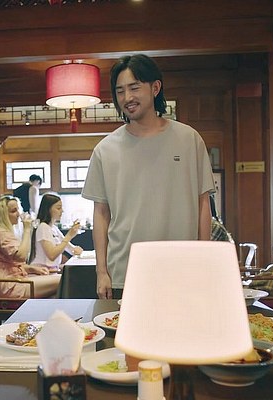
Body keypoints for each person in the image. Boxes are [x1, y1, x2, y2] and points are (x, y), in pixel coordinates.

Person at [81, 53, 215, 299]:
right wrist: (101, 271)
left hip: (182, 270)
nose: (127, 97)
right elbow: (101, 213)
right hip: (125, 271)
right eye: (120, 91)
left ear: (155, 88)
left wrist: (203, 260)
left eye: (134, 88)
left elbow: (202, 203)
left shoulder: (189, 139)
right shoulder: (105, 150)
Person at [0, 195, 60, 298]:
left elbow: (12, 263)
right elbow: (21, 257)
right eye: (13, 211)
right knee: (63, 280)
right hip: (10, 286)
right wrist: (27, 229)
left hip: (17, 280)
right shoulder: (1, 234)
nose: (18, 214)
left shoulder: (4, 232)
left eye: (18, 210)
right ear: (3, 215)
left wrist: (32, 268)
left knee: (60, 280)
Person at [31, 193, 84, 272]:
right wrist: (69, 235)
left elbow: (70, 249)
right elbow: (52, 255)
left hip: (52, 270)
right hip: (42, 271)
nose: (62, 211)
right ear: (48, 209)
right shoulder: (43, 227)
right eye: (58, 208)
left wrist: (76, 249)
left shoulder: (54, 228)